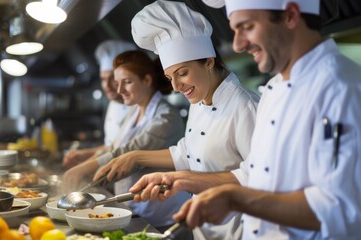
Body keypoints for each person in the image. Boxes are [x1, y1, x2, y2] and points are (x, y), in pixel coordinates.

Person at [129, 0, 361, 239]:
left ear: (291, 15)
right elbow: (251, 174)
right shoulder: (274, 89)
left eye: (247, 26)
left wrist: (236, 199)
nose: (238, 45)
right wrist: (183, 179)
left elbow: (341, 209)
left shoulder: (341, 88)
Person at [93, 1, 259, 239]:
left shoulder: (245, 107)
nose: (176, 86)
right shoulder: (200, 99)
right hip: (203, 229)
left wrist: (184, 180)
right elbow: (186, 152)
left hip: (238, 231)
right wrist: (135, 157)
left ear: (209, 61)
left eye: (183, 73)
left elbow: (257, 177)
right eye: (170, 77)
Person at [63, 50, 191, 235]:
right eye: (117, 83)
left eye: (127, 82)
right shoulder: (134, 111)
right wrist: (85, 161)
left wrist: (83, 170)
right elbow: (114, 147)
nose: (119, 90)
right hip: (133, 210)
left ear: (147, 80)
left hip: (160, 219)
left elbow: (128, 152)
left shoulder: (166, 118)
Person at [62, 40, 136, 168]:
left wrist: (86, 166)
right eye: (102, 79)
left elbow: (126, 150)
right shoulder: (113, 104)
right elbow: (112, 146)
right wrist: (83, 155)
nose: (106, 86)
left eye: (112, 78)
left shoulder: (140, 106)